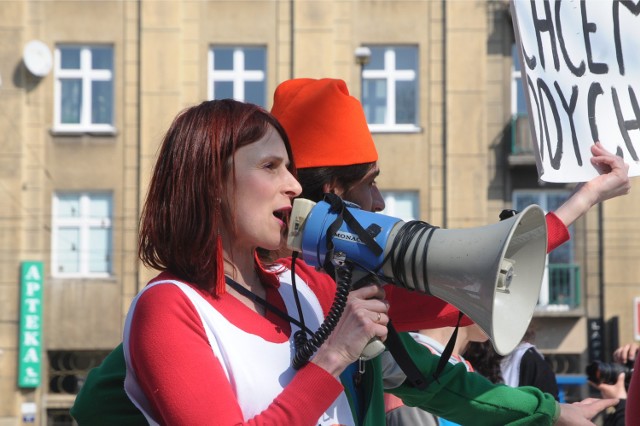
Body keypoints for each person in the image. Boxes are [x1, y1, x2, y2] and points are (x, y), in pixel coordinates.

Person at [72, 80, 619, 425]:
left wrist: (550, 411)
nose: (379, 204)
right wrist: (334, 355)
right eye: (269, 168)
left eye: (288, 167)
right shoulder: (173, 308)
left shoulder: (309, 288)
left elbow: (432, 369)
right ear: (328, 194)